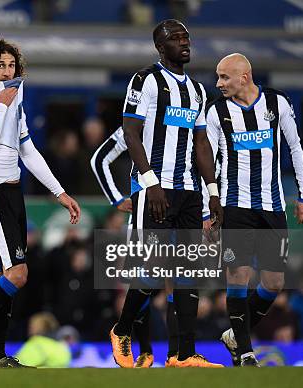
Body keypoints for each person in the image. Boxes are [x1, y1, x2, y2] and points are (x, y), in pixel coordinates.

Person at [0, 39, 81, 368]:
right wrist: (0, 105)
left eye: (11, 66)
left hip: (12, 192)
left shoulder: (15, 103)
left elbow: (28, 151)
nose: (7, 71)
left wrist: (59, 192)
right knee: (19, 274)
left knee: (3, 277)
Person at [110, 19, 223, 368]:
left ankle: (184, 355)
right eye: (174, 38)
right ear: (161, 47)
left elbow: (202, 143)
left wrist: (212, 191)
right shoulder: (145, 80)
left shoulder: (199, 91)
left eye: (186, 36)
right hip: (154, 189)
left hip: (189, 190)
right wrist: (150, 181)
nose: (183, 42)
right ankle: (122, 329)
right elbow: (131, 132)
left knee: (189, 271)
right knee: (153, 268)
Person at [206, 53, 303, 366]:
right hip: (233, 206)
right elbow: (206, 166)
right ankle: (246, 351)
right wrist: (207, 210)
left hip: (272, 206)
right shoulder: (216, 112)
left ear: (245, 76)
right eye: (218, 77)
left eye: (225, 77)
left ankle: (235, 334)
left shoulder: (277, 104)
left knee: (274, 283)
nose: (219, 83)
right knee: (238, 274)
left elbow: (295, 146)